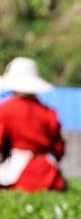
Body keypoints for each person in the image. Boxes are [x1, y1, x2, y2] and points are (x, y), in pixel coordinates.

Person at [0, 57, 67, 191]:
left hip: (19, 175)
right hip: (50, 176)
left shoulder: (6, 110)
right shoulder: (49, 112)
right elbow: (59, 148)